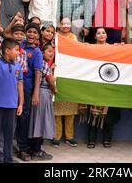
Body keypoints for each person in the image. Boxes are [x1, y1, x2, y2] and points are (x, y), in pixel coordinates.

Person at [0, 39, 24, 163]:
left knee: (9, 136)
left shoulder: (18, 66)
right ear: (7, 51)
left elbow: (20, 86)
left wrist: (21, 103)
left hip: (11, 107)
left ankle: (8, 159)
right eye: (16, 50)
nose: (18, 53)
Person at [84, 27, 121, 149]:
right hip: (94, 83)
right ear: (95, 36)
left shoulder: (113, 49)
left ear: (106, 35)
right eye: (98, 33)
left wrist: (121, 48)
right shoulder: (89, 48)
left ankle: (107, 139)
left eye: (103, 33)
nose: (101, 35)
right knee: (93, 112)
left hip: (109, 83)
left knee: (108, 113)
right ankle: (91, 139)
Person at [16, 23, 46, 161]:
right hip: (12, 86)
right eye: (29, 31)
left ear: (38, 35)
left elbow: (38, 74)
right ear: (25, 32)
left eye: (35, 32)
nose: (31, 34)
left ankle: (22, 148)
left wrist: (35, 93)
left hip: (27, 89)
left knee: (23, 119)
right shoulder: (19, 44)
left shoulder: (37, 52)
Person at [52, 17, 79, 149]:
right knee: (57, 108)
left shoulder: (74, 37)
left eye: (68, 23)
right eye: (63, 23)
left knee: (70, 108)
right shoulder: (55, 36)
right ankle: (57, 136)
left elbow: (77, 52)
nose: (65, 26)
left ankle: (70, 136)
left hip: (70, 73)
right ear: (59, 25)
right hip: (58, 72)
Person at [28, 43, 56, 160]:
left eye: (52, 51)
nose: (51, 53)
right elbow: (50, 81)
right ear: (42, 52)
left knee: (36, 121)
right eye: (48, 51)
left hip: (38, 93)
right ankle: (37, 150)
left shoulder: (42, 65)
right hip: (43, 95)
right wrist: (55, 90)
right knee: (41, 122)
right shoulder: (44, 65)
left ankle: (33, 148)